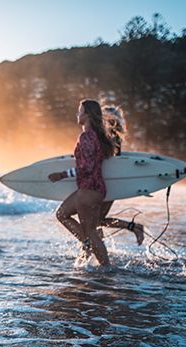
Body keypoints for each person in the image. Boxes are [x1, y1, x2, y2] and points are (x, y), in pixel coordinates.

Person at [48, 100, 117, 267]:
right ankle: (86, 242)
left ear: (87, 115)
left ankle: (106, 269)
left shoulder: (87, 136)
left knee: (92, 232)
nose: (77, 115)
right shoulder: (95, 135)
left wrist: (62, 175)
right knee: (62, 214)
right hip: (90, 189)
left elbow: (87, 166)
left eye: (80, 111)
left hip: (89, 189)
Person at [98, 105, 144, 245]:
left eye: (102, 117)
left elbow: (110, 162)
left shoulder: (111, 137)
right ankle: (95, 249)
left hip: (108, 183)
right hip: (105, 181)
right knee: (95, 220)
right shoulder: (111, 137)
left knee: (95, 220)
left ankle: (134, 227)